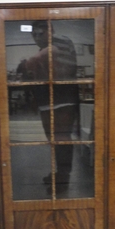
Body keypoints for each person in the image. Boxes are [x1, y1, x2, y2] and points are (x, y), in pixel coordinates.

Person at [16, 20, 79, 190]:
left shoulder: (57, 47)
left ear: (50, 32)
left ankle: (63, 178)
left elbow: (33, 62)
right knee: (54, 139)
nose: (37, 37)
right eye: (34, 34)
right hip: (50, 101)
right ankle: (60, 173)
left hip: (61, 102)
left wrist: (26, 66)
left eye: (40, 33)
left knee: (61, 138)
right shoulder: (51, 49)